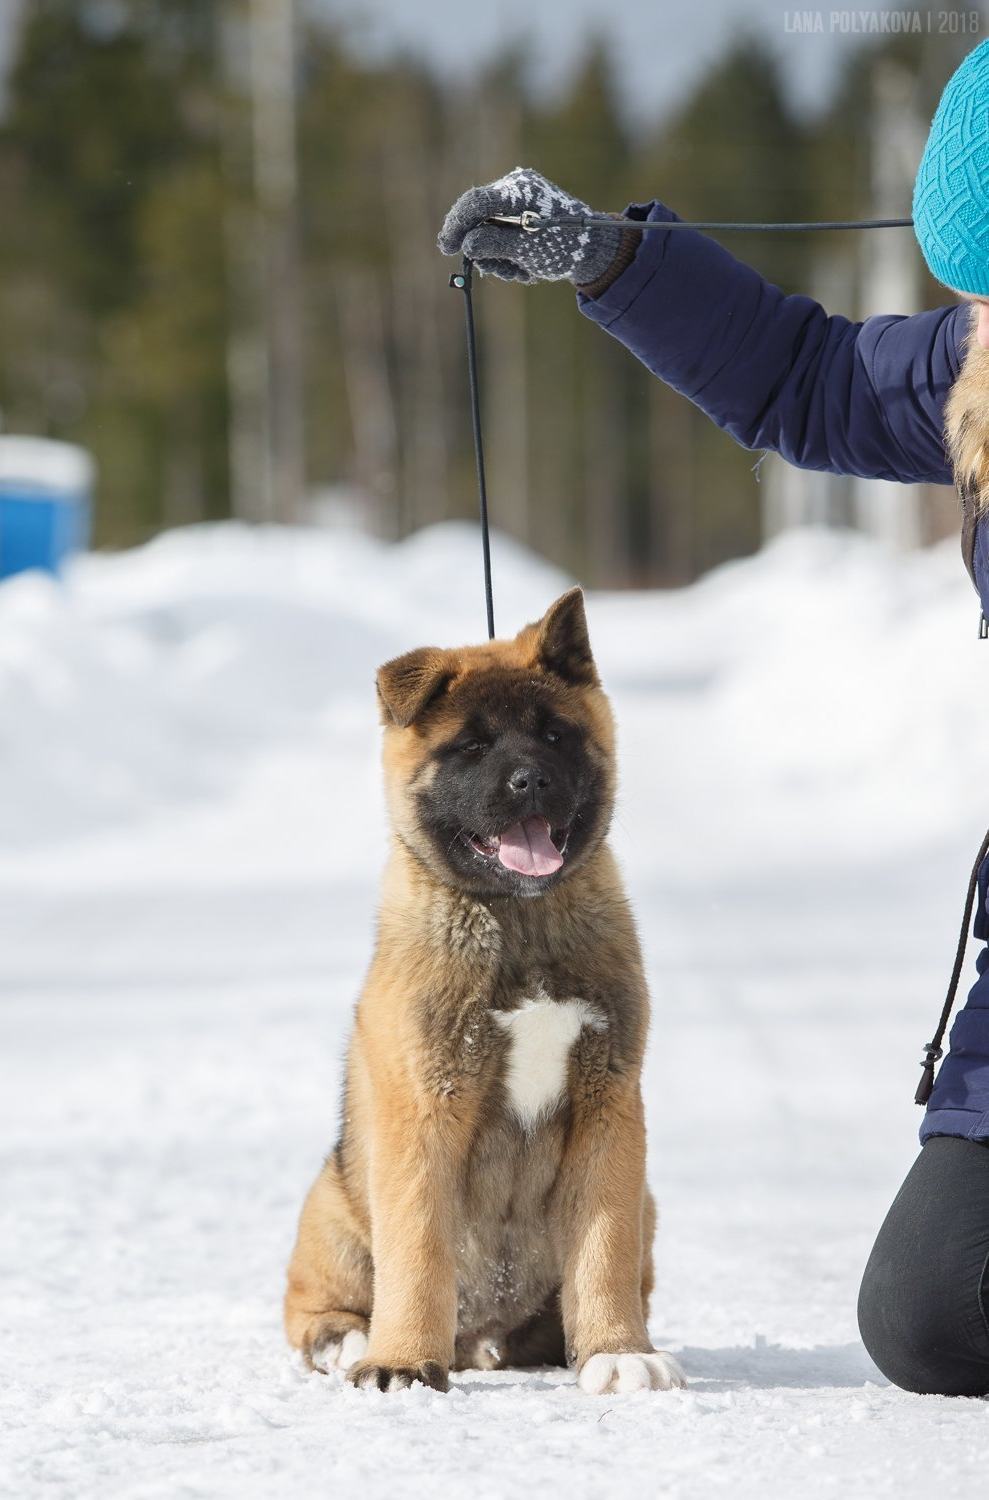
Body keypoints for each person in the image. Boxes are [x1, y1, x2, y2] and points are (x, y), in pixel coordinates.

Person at [438, 39, 989, 1398]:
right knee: (934, 1318)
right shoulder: (975, 369)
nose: (977, 316)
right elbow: (808, 378)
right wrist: (608, 259)